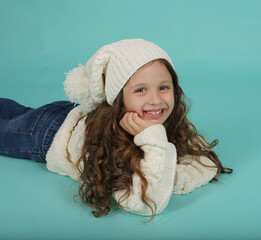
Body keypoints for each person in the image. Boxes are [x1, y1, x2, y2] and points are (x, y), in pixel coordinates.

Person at [0, 39, 232, 220]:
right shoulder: (111, 140)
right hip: (46, 135)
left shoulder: (163, 122)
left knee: (15, 110)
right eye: (141, 90)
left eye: (163, 87)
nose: (155, 100)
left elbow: (204, 162)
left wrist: (165, 159)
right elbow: (146, 202)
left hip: (64, 115)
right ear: (118, 99)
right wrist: (155, 142)